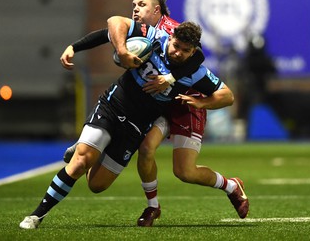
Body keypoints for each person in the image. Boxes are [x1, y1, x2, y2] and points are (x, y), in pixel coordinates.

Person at [19, 15, 241, 229]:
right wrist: (118, 51)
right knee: (79, 162)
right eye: (176, 45)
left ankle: (93, 147)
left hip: (135, 127)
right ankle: (36, 215)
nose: (178, 52)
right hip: (112, 107)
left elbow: (227, 96)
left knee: (96, 185)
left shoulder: (196, 73)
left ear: (194, 51)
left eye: (186, 50)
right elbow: (114, 22)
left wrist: (201, 103)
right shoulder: (154, 37)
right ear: (171, 37)